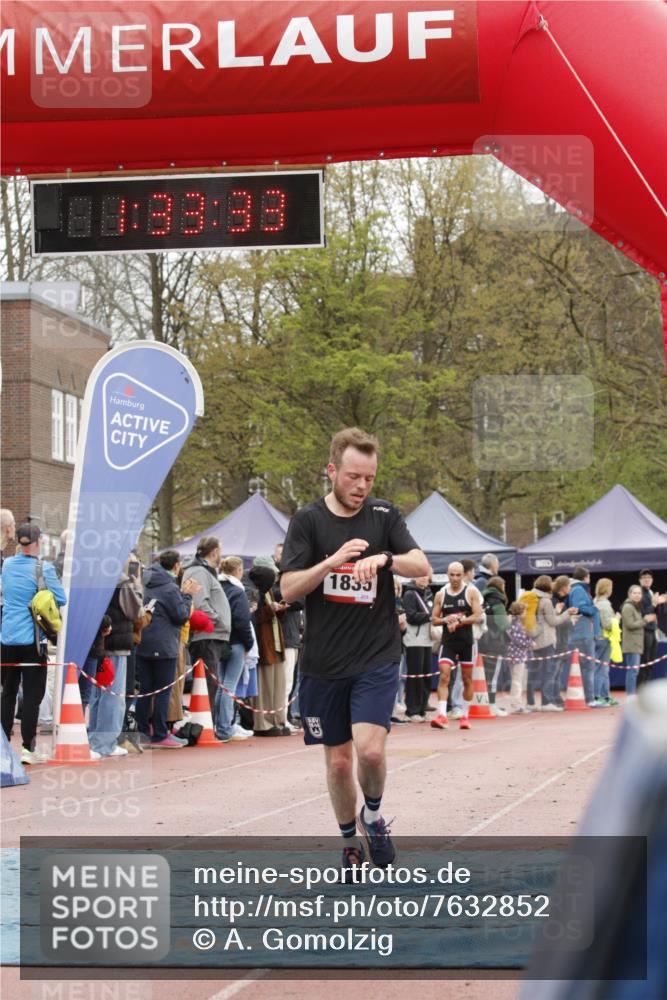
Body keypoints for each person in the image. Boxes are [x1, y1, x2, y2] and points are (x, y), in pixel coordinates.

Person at [280, 427, 428, 876]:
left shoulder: (384, 516)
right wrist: (332, 561)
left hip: (376, 656)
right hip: (324, 662)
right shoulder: (308, 522)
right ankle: (349, 842)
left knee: (372, 753)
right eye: (353, 477)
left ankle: (374, 817)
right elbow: (288, 588)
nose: (362, 487)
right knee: (340, 761)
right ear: (332, 471)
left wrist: (384, 559)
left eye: (369, 477)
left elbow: (421, 567)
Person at [0, 523, 66, 764]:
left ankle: (3, 746)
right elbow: (61, 598)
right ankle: (28, 749)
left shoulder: (5, 565)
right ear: (38, 542)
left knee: (7, 692)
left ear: (18, 542)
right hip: (32, 640)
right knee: (32, 695)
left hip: (6, 638)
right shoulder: (43, 568)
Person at [135, 551, 200, 748]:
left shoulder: (144, 581)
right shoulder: (169, 587)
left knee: (145, 690)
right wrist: (187, 597)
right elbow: (180, 615)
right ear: (176, 566)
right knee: (163, 690)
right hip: (164, 645)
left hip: (144, 641)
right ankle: (160, 734)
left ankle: (143, 732)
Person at [88, 560, 143, 759]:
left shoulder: (93, 574)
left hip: (98, 642)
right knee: (113, 696)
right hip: (117, 644)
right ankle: (105, 743)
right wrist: (136, 585)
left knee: (98, 695)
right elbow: (136, 611)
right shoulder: (121, 581)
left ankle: (95, 739)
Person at [183, 537, 232, 724]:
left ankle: (205, 724)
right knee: (207, 682)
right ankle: (203, 725)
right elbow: (200, 603)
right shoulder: (199, 571)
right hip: (206, 636)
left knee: (210, 682)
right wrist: (218, 620)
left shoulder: (204, 572)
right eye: (220, 549)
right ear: (214, 552)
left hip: (211, 635)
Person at [431, 561, 483, 731]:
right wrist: (445, 620)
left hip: (467, 642)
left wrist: (460, 621)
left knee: (467, 679)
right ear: (447, 574)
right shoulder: (441, 594)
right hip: (448, 642)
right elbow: (434, 619)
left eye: (458, 575)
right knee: (444, 676)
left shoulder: (471, 591)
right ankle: (442, 715)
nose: (454, 578)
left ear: (463, 575)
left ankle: (465, 716)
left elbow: (477, 615)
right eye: (451, 575)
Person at [249, 557, 290, 736]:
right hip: (265, 645)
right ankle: (263, 724)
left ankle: (278, 720)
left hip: (275, 644)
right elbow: (255, 617)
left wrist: (279, 609)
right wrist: (271, 610)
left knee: (278, 687)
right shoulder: (254, 592)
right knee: (265, 688)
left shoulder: (268, 592)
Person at [217, 556, 255, 742]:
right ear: (238, 571)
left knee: (222, 685)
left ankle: (221, 724)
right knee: (229, 686)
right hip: (236, 642)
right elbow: (242, 620)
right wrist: (249, 643)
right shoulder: (238, 592)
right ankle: (225, 728)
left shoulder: (217, 587)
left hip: (220, 641)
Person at [529, 575, 577, 711]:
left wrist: (556, 612)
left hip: (534, 638)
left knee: (533, 673)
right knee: (548, 672)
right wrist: (567, 613)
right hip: (547, 640)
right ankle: (546, 702)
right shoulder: (546, 601)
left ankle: (530, 703)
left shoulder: (532, 598)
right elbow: (553, 622)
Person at [273, 543, 304, 729]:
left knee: (290, 682)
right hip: (284, 637)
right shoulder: (275, 581)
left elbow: (301, 600)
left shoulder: (294, 574)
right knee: (284, 682)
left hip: (293, 635)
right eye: (279, 554)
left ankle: (286, 715)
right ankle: (281, 718)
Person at [401, 570, 434, 722]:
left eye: (425, 575)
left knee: (426, 675)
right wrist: (430, 616)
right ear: (413, 577)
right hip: (414, 640)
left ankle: (422, 709)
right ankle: (412, 710)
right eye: (419, 574)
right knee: (415, 676)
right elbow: (412, 617)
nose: (423, 578)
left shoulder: (428, 593)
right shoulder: (409, 594)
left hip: (428, 639)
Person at [566, 566, 600, 708]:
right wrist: (594, 608)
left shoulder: (576, 589)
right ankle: (589, 698)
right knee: (588, 667)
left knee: (586, 667)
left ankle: (588, 697)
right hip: (583, 633)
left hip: (583, 632)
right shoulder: (579, 590)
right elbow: (579, 608)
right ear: (585, 577)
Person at [479, 575, 511, 716]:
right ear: (500, 587)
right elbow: (502, 624)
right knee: (492, 676)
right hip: (495, 642)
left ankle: (483, 703)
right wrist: (509, 620)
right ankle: (491, 705)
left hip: (483, 641)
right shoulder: (498, 601)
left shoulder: (483, 598)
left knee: (483, 675)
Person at [593, 578, 619, 707]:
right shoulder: (605, 604)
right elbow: (608, 624)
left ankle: (605, 696)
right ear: (607, 589)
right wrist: (617, 619)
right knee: (602, 669)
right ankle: (598, 696)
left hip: (598, 639)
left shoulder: (595, 601)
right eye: (611, 587)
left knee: (602, 668)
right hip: (605, 639)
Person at [505, 601, 535, 713]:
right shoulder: (516, 623)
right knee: (517, 679)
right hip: (517, 655)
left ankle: (516, 703)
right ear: (520, 611)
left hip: (513, 654)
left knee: (516, 678)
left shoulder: (511, 621)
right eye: (525, 610)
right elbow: (519, 639)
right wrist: (530, 643)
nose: (526, 613)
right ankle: (516, 704)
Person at [621, 585, 650, 697]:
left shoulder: (635, 607)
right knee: (632, 672)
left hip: (636, 644)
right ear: (629, 594)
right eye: (635, 593)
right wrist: (645, 620)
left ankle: (632, 694)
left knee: (634, 671)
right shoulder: (628, 607)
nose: (637, 595)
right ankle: (631, 694)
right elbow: (630, 625)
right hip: (631, 644)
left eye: (639, 593)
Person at [637, 570, 659, 687]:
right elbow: (644, 614)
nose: (647, 579)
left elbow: (654, 613)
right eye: (644, 577)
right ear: (640, 580)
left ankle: (645, 689)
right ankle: (640, 690)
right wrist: (654, 604)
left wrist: (659, 603)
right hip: (644, 631)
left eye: (649, 577)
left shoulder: (650, 592)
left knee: (650, 662)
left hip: (652, 630)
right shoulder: (639, 593)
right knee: (644, 663)